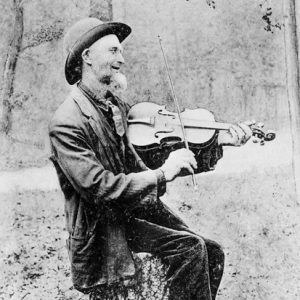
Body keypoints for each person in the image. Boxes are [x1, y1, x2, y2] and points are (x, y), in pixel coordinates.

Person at [48, 18, 252, 300]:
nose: (122, 58)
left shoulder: (116, 106)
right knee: (189, 248)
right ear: (87, 57)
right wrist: (163, 174)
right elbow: (99, 187)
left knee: (212, 250)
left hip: (130, 215)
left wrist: (218, 142)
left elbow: (150, 159)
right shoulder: (66, 122)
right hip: (103, 232)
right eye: (113, 51)